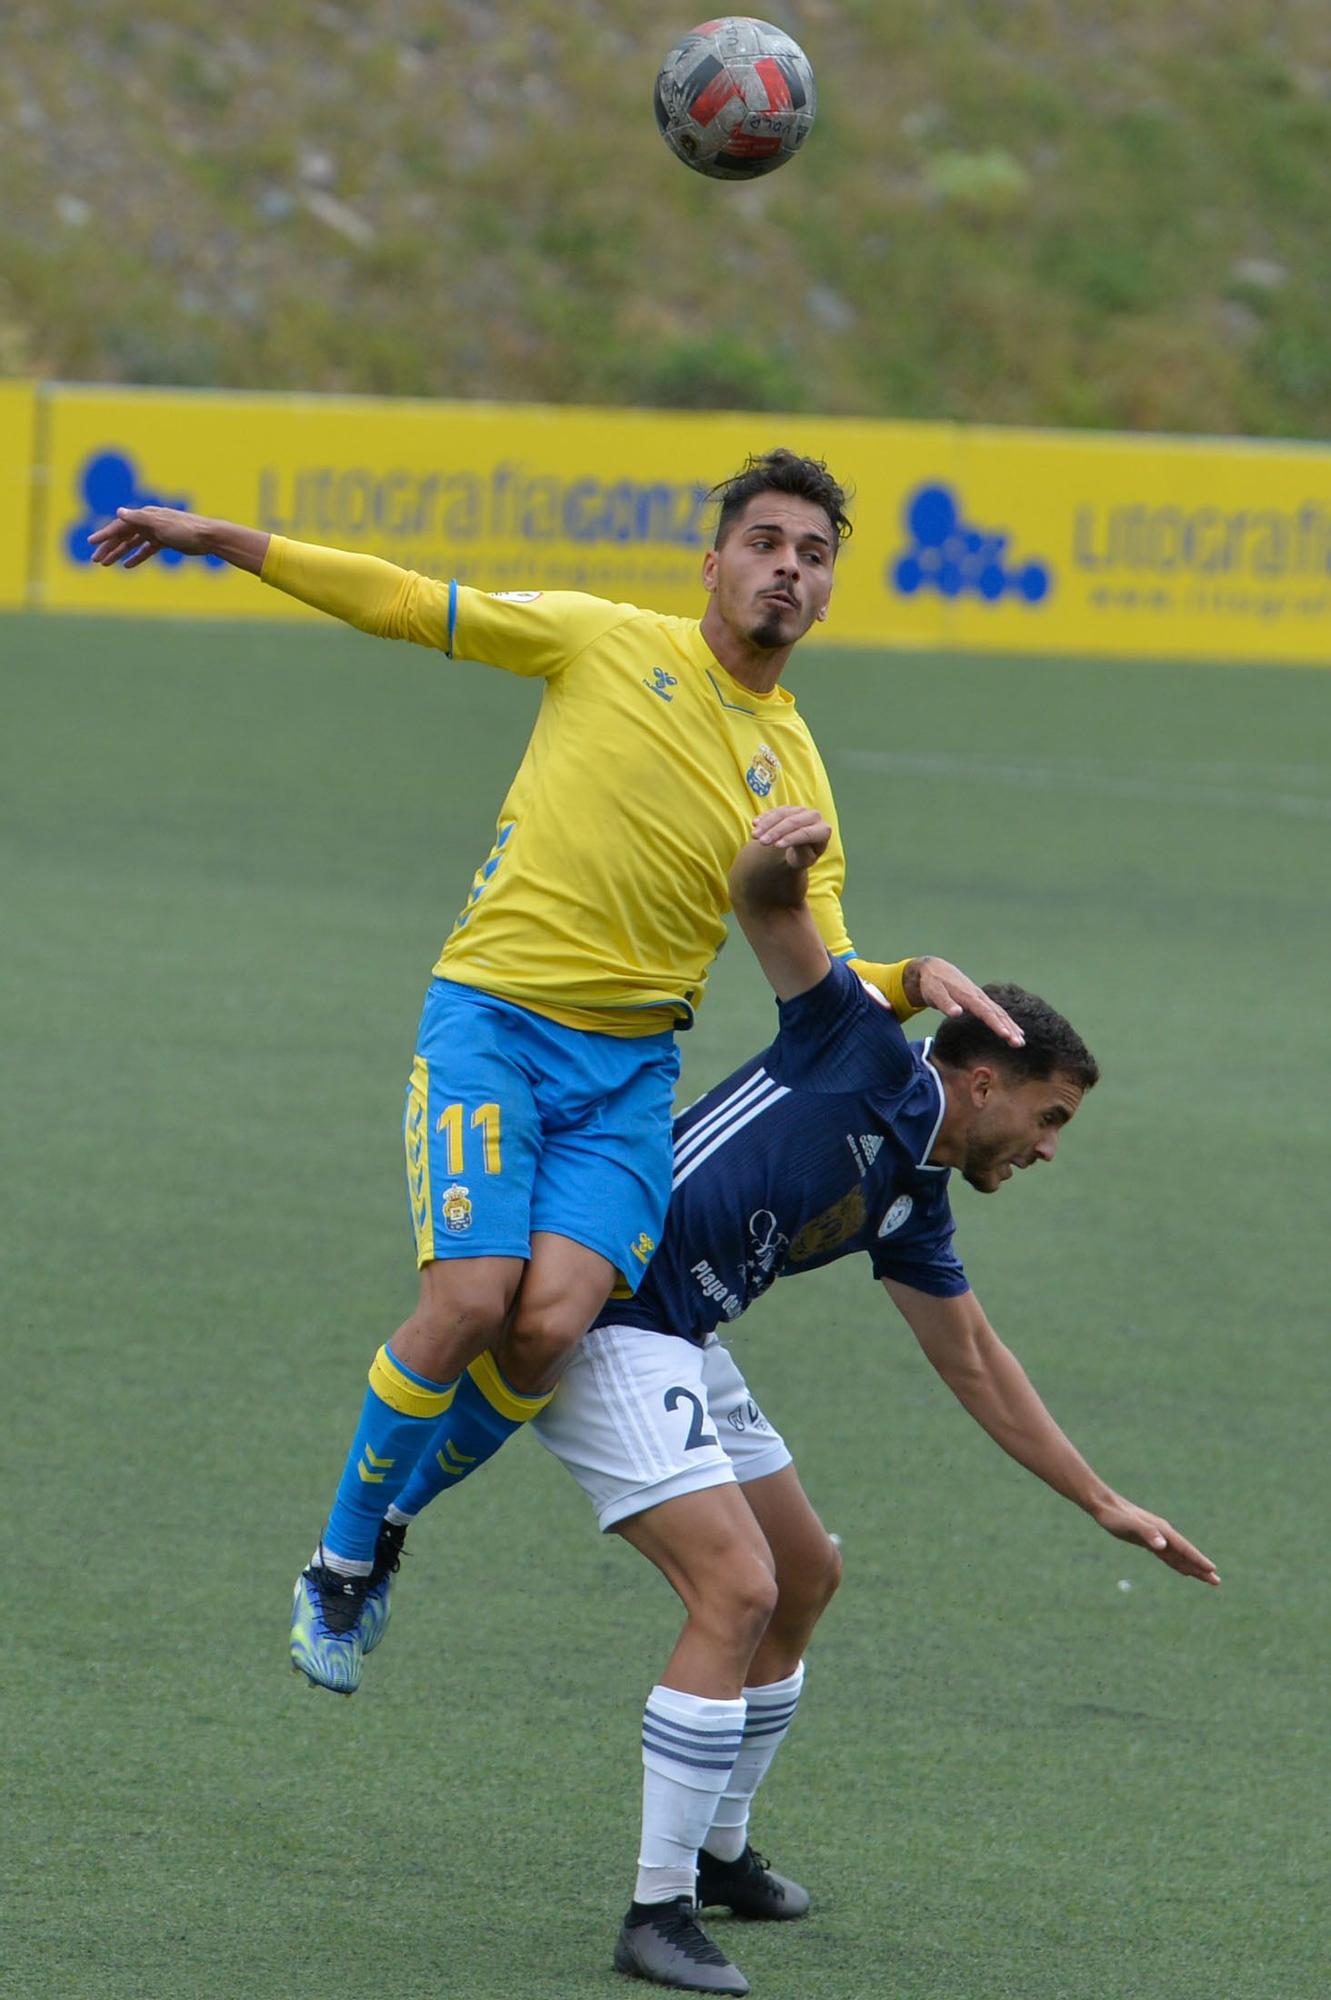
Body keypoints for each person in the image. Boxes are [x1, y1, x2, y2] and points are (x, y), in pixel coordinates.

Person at [89, 452, 1021, 1697]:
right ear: (713, 562)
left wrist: (912, 977)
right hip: (491, 1023)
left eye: (811, 553)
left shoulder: (796, 773)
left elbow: (832, 968)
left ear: (827, 589)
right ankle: (340, 1551)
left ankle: (394, 1521)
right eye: (764, 542)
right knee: (470, 1301)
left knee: (548, 1325)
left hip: (629, 1067)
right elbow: (408, 601)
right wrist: (217, 535)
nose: (786, 568)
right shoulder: (600, 641)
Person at [383, 805, 1219, 1996]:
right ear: (980, 1080)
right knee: (736, 1586)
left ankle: (718, 1855)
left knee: (805, 1570)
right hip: (609, 1309)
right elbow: (767, 910)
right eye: (1047, 1117)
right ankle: (654, 1908)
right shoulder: (860, 1049)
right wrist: (782, 857)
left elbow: (971, 1355)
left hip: (678, 1332)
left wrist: (1103, 1502)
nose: (1046, 1149)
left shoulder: (914, 1196)